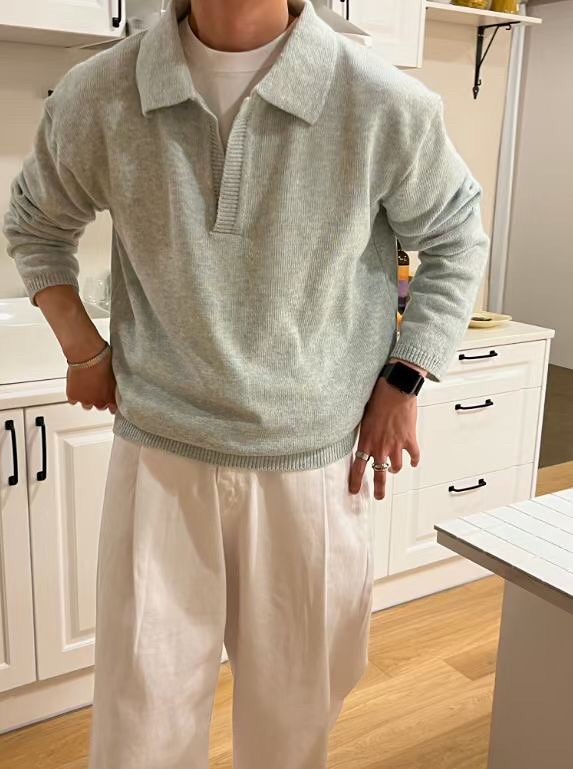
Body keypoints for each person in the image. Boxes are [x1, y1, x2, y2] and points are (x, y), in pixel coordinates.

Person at [3, 0, 489, 766]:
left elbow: (456, 235)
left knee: (293, 722)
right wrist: (82, 350)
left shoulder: (379, 100)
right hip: (160, 454)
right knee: (142, 725)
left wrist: (404, 377)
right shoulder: (103, 91)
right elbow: (35, 221)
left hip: (312, 461)